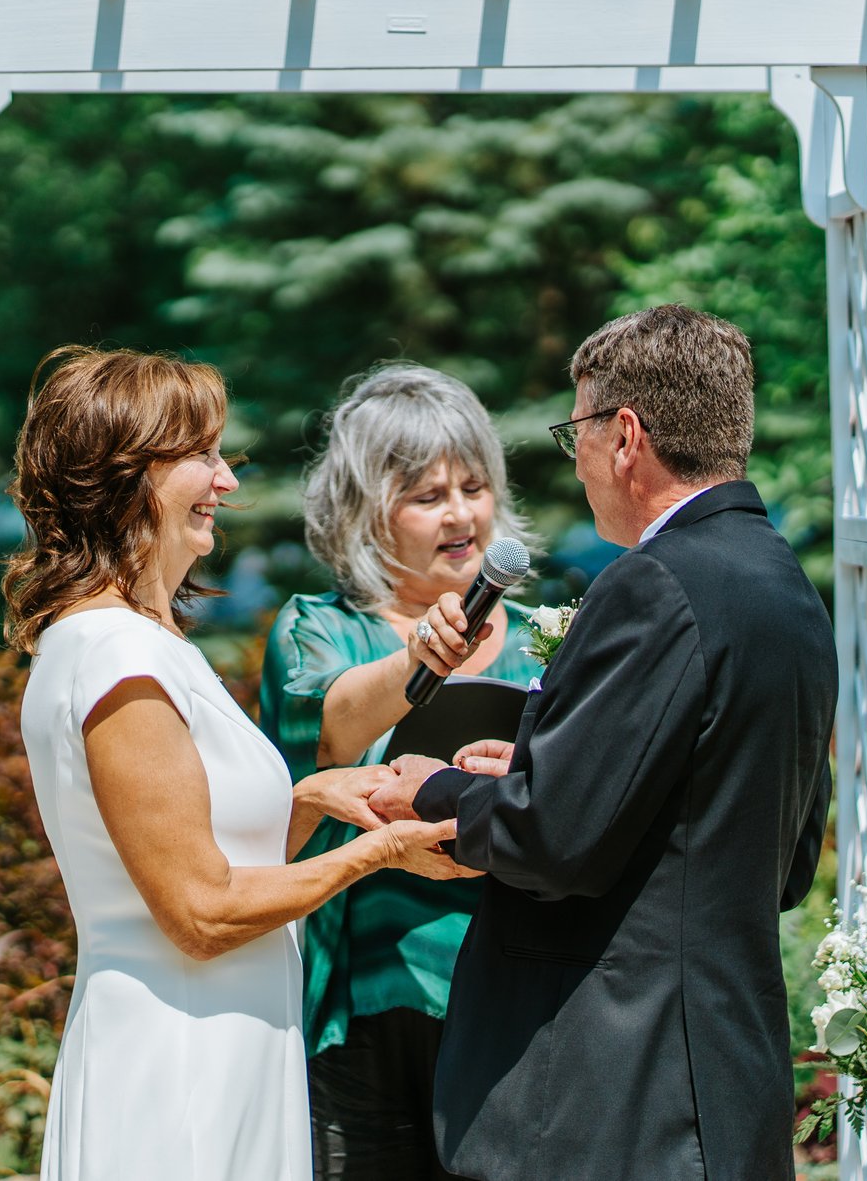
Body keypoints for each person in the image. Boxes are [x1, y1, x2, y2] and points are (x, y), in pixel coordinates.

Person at [371, 306, 838, 1180]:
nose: (575, 458)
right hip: (726, 1088)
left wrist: (434, 790)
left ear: (624, 436)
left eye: (575, 431)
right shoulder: (789, 589)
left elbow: (552, 836)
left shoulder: (652, 585)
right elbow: (785, 858)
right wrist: (544, 767)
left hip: (616, 1099)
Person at [6, 346, 477, 1181]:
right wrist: (375, 853)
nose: (226, 480)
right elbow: (200, 911)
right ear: (127, 476)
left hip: (226, 1049)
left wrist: (312, 799)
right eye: (201, 455)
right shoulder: (116, 656)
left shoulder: (149, 644)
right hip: (178, 1066)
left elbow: (210, 852)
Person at [259, 364, 541, 1181]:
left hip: (516, 1003)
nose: (461, 514)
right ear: (363, 512)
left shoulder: (548, 635)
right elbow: (327, 727)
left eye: (474, 487)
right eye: (427, 495)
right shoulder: (319, 628)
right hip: (368, 1012)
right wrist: (419, 656)